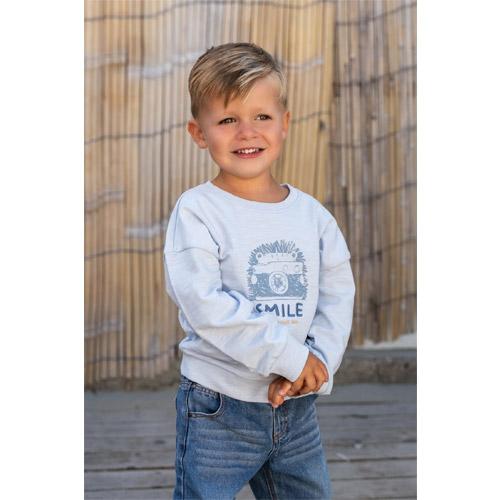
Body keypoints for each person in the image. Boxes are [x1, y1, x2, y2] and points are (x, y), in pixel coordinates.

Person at [163, 42, 355, 500]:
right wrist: (290, 358)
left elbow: (337, 295)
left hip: (295, 404)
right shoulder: (198, 211)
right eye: (228, 120)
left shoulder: (312, 216)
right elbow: (206, 306)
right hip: (218, 408)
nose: (246, 131)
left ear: (284, 123)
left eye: (262, 116)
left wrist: (316, 364)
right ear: (199, 133)